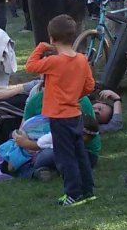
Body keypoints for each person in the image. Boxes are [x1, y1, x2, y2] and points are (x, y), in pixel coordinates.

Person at [24, 14, 97, 206]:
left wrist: (41, 47)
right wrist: (74, 95)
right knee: (79, 152)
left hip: (59, 117)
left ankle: (72, 193)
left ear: (52, 38)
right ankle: (88, 190)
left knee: (65, 157)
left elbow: (30, 66)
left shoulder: (54, 62)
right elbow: (90, 86)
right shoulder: (81, 59)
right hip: (75, 114)